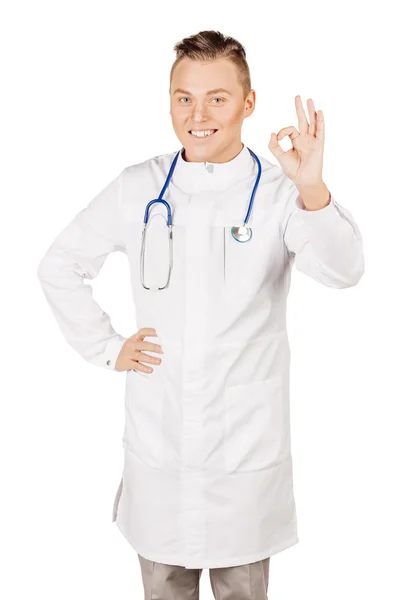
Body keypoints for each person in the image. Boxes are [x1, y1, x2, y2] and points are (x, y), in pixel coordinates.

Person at [37, 29, 365, 600]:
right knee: (163, 588)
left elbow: (344, 271)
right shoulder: (139, 187)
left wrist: (310, 184)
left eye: (217, 97)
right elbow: (59, 265)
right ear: (169, 102)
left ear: (248, 103)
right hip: (159, 445)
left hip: (245, 450)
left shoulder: (279, 194)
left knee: (243, 589)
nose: (198, 114)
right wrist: (109, 347)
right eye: (184, 97)